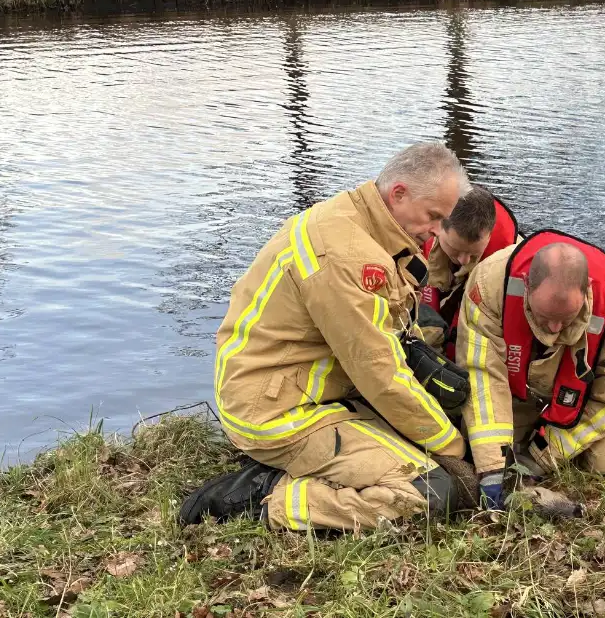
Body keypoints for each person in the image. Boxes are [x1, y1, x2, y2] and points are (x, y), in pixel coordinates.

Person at [179, 142, 473, 531]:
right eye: (433, 216)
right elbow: (379, 373)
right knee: (434, 489)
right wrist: (454, 449)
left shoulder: (368, 224)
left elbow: (392, 333)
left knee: (441, 420)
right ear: (398, 193)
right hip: (276, 409)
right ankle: (268, 495)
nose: (437, 231)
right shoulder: (342, 253)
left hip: (318, 389)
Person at [456, 230, 605, 509]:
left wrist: (540, 458)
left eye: (565, 318)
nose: (553, 329)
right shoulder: (490, 283)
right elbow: (482, 374)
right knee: (483, 446)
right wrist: (492, 467)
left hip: (588, 395)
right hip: (522, 387)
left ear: (587, 289)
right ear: (526, 283)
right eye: (545, 317)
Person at [417, 184, 520, 358]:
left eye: (473, 253)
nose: (463, 260)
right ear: (438, 226)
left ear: (490, 235)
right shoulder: (413, 237)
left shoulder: (512, 265)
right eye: (454, 248)